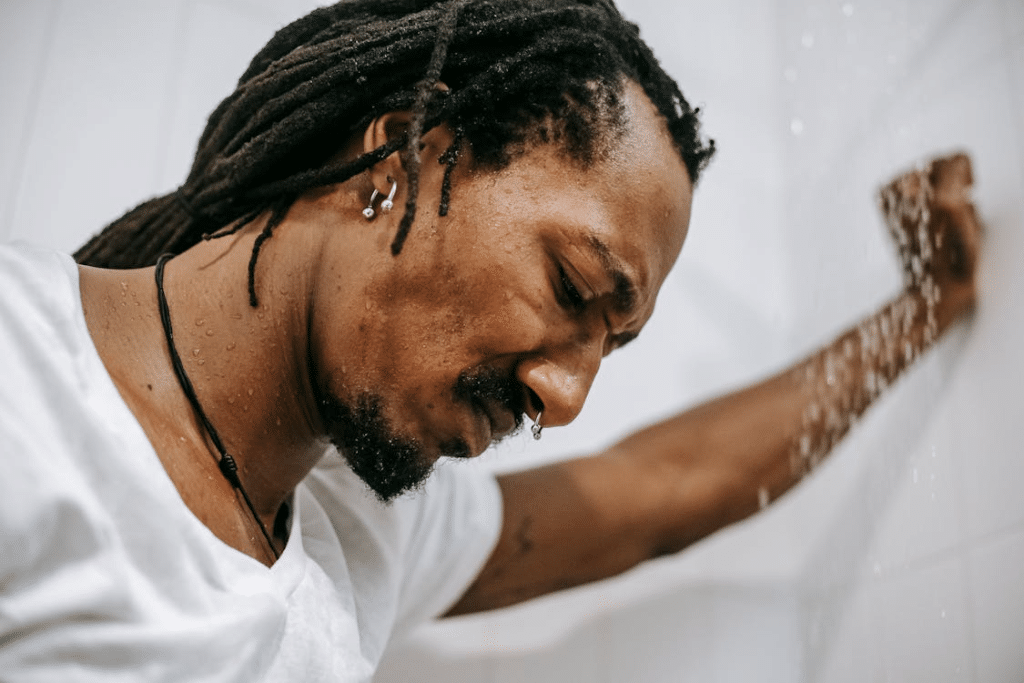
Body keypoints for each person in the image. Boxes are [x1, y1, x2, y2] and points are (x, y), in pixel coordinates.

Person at [0, 0, 981, 680]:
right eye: (573, 287)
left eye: (611, 343)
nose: (568, 399)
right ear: (397, 159)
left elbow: (660, 489)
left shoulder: (355, 531)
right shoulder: (22, 375)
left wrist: (921, 309)